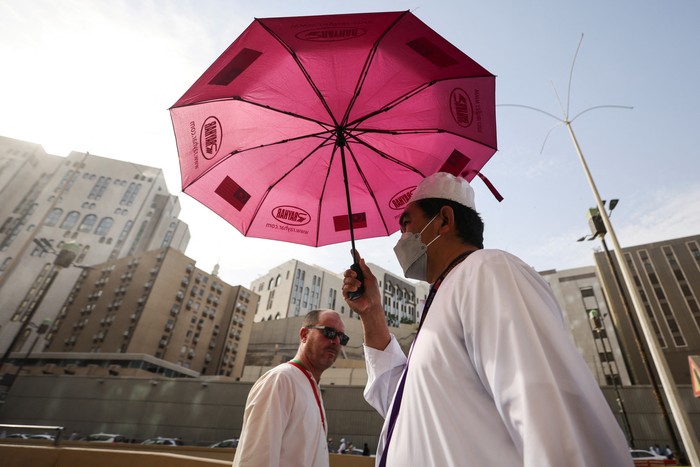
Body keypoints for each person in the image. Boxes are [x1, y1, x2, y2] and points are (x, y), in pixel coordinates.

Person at [342, 172, 634, 467]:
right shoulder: (443, 295)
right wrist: (371, 312)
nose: (401, 239)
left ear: (444, 219)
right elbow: (404, 406)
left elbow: (553, 415)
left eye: (406, 224)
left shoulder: (487, 270)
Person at [233, 309, 349, 467]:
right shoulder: (281, 380)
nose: (335, 341)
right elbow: (256, 460)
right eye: (328, 332)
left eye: (341, 337)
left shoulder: (310, 386)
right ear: (304, 335)